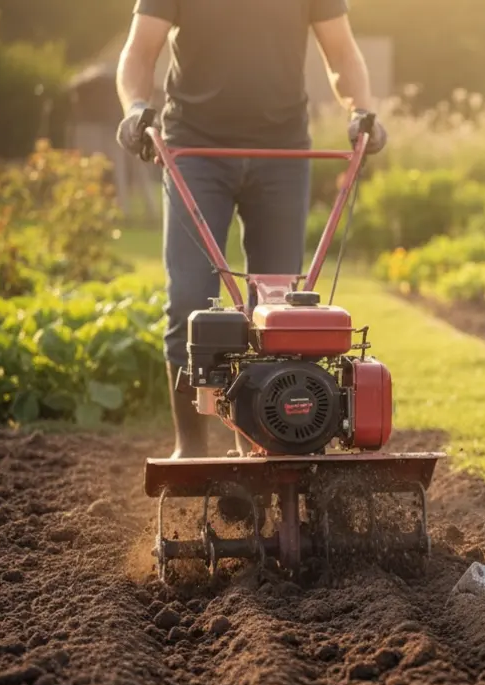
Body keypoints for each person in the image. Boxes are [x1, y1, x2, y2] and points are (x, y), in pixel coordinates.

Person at [114, 0, 388, 459]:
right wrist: (137, 108)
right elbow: (139, 52)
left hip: (282, 153)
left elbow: (341, 53)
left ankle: (260, 441)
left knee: (279, 309)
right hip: (194, 152)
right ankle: (192, 447)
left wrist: (362, 109)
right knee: (188, 298)